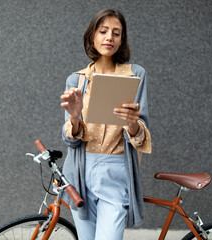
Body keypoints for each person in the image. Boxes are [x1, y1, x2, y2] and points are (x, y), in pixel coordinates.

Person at [60, 9, 151, 240]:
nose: (109, 37)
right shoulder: (76, 79)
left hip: (116, 171)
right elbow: (70, 140)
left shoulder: (135, 75)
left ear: (122, 40)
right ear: (93, 36)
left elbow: (141, 136)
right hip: (80, 172)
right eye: (103, 31)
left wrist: (132, 124)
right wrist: (74, 117)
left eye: (116, 33)